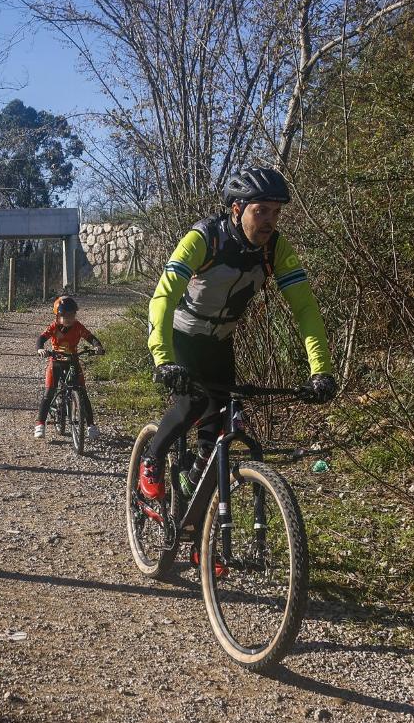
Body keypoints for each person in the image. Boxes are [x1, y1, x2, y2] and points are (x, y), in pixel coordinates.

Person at [138, 167, 338, 501]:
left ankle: (193, 492)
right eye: (261, 211)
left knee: (224, 415)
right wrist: (163, 359)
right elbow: (164, 296)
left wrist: (320, 370)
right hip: (182, 336)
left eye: (276, 212)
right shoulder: (205, 239)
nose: (269, 221)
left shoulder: (275, 249)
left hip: (220, 341)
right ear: (236, 209)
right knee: (193, 403)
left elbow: (306, 309)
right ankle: (152, 458)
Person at [35, 295, 105, 440]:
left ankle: (91, 425)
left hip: (73, 361)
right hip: (56, 361)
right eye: (65, 315)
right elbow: (41, 338)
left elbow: (90, 337)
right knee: (49, 392)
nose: (69, 318)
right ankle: (40, 424)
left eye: (72, 315)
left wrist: (97, 346)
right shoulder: (54, 327)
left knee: (82, 393)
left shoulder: (78, 326)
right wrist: (40, 349)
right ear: (58, 316)